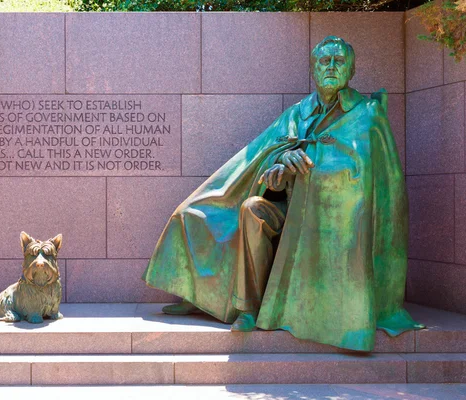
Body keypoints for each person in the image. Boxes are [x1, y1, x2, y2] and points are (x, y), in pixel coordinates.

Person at [142, 36, 423, 352]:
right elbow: (259, 157)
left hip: (329, 220)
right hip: (287, 209)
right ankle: (234, 303)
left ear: (351, 69)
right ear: (313, 69)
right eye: (324, 61)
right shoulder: (297, 113)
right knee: (227, 210)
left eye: (339, 61)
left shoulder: (367, 114)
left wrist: (308, 164)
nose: (330, 66)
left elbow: (364, 177)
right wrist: (279, 162)